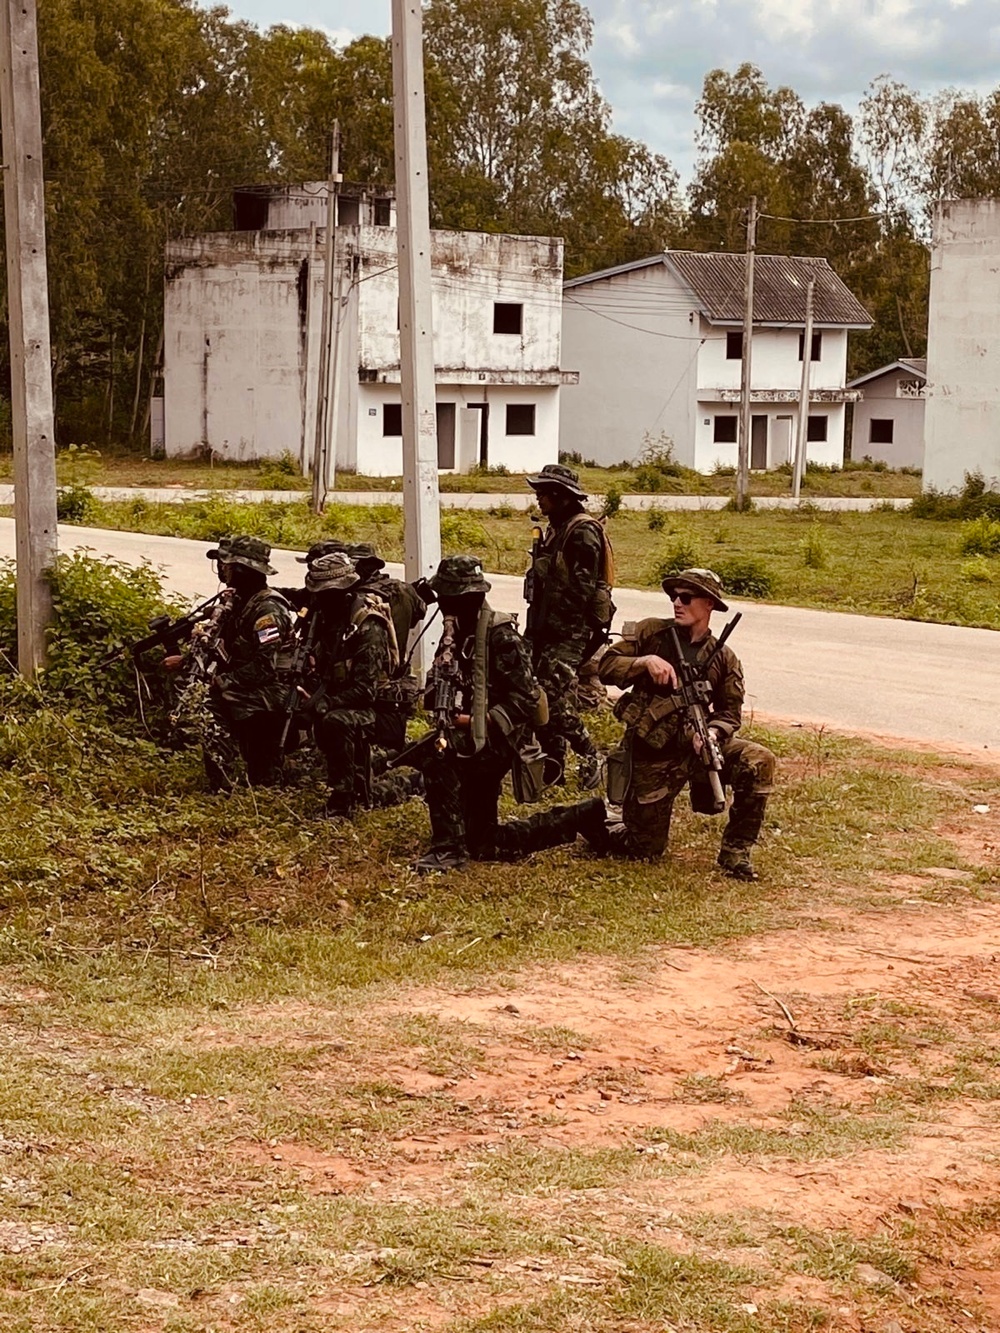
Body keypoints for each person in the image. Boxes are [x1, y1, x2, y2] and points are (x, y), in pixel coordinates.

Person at [414, 555, 607, 874]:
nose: (444, 604)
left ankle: (447, 848)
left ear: (469, 598)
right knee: (485, 844)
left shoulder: (500, 635)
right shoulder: (457, 631)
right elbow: (442, 682)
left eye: (449, 597)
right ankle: (580, 816)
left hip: (498, 741)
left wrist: (476, 721)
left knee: (439, 755)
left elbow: (527, 699)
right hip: (471, 735)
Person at [597, 568, 775, 880]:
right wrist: (643, 662)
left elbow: (730, 713)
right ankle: (593, 817)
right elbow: (607, 667)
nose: (677, 603)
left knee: (758, 760)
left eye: (685, 597)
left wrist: (713, 732)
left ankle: (735, 853)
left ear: (708, 604)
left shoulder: (724, 657)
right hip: (653, 752)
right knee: (644, 850)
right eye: (673, 596)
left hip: (694, 746)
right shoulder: (651, 632)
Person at [297, 551, 421, 816]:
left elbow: (366, 690)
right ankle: (358, 773)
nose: (318, 599)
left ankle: (349, 797)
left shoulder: (366, 625)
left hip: (381, 709)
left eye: (325, 593)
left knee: (335, 720)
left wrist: (323, 702)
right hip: (350, 699)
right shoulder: (328, 617)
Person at [524, 462, 611, 789]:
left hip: (568, 633)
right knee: (538, 698)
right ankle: (554, 764)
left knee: (555, 703)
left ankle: (590, 754)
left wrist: (556, 633)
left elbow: (581, 590)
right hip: (547, 629)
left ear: (561, 496)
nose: (539, 500)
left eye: (544, 494)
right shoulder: (558, 527)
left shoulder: (582, 532)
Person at [198, 534, 294, 787]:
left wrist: (222, 682)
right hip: (255, 681)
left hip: (274, 687)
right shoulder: (241, 600)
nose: (222, 570)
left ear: (240, 569)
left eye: (226, 565)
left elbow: (264, 666)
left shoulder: (267, 610)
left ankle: (225, 779)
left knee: (210, 702)